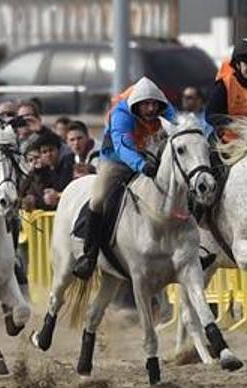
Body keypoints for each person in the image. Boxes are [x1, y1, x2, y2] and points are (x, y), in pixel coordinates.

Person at [71, 76, 177, 280]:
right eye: (146, 105)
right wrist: (141, 165)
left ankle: (194, 247)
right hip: (116, 160)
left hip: (148, 154)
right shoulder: (121, 113)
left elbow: (178, 128)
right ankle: (89, 256)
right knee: (99, 198)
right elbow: (123, 148)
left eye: (154, 104)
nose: (151, 109)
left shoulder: (165, 108)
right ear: (136, 104)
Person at [20, 129, 72, 211]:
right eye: (44, 152)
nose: (48, 154)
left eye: (51, 150)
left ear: (58, 150)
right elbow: (23, 195)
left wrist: (58, 195)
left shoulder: (68, 166)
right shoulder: (39, 173)